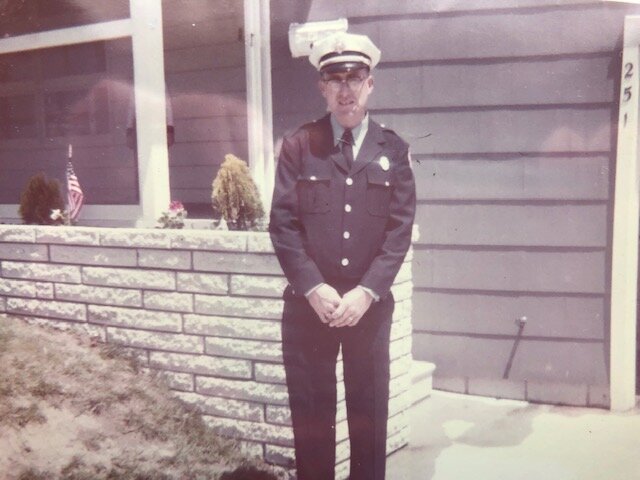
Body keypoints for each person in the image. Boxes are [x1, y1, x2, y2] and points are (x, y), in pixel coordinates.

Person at [269, 31, 416, 480]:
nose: (346, 89)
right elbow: (283, 224)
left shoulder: (393, 149)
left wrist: (368, 292)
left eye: (355, 77)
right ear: (322, 88)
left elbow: (398, 230)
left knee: (368, 413)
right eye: (335, 79)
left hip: (366, 309)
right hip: (309, 306)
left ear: (371, 84)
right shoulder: (299, 145)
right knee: (312, 417)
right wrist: (313, 287)